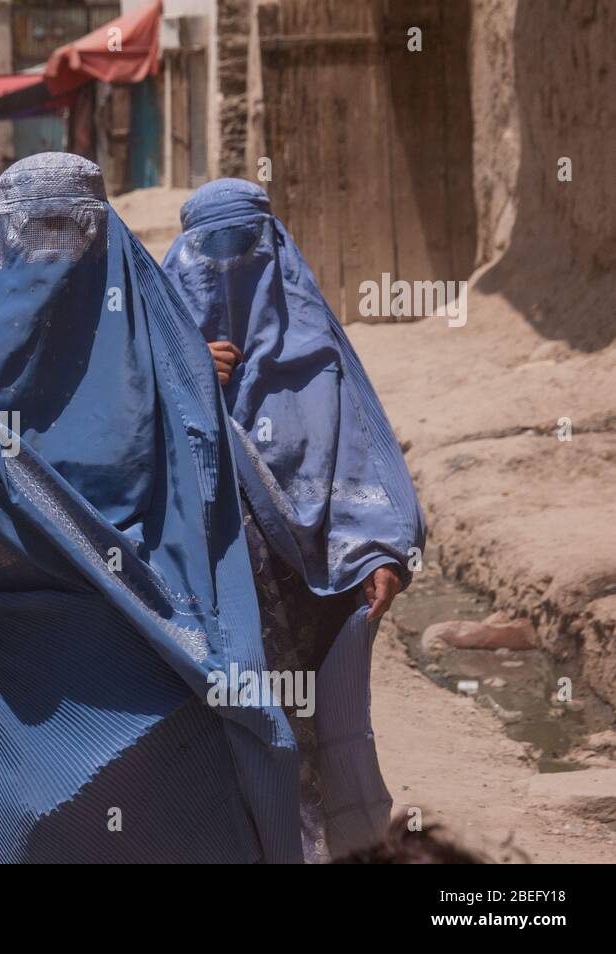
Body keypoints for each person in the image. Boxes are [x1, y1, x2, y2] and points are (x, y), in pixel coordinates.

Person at [0, 152, 303, 863]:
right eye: (37, 229)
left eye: (72, 228)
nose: (54, 250)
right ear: (4, 233)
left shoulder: (158, 341)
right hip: (11, 659)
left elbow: (200, 497)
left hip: (152, 644)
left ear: (104, 228)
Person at [161, 178, 426, 860]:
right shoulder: (162, 362)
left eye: (243, 249)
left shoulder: (318, 360)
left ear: (274, 250)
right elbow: (133, 469)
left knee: (318, 752)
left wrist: (382, 554)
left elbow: (366, 463)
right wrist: (184, 380)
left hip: (314, 601)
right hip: (213, 606)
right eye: (208, 253)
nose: (227, 275)